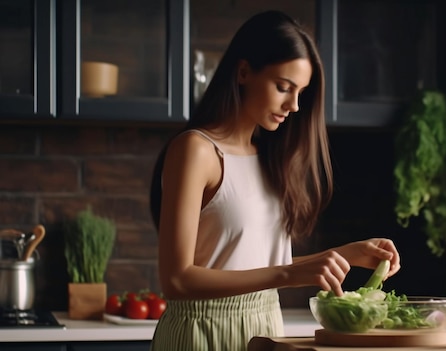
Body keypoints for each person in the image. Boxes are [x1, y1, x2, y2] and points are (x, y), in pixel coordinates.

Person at [148, 10, 401, 351]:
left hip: (265, 328)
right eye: (283, 87)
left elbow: (250, 265)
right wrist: (290, 275)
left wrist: (343, 254)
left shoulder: (270, 158)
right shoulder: (197, 150)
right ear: (243, 72)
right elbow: (177, 280)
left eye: (301, 92)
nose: (294, 105)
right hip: (200, 334)